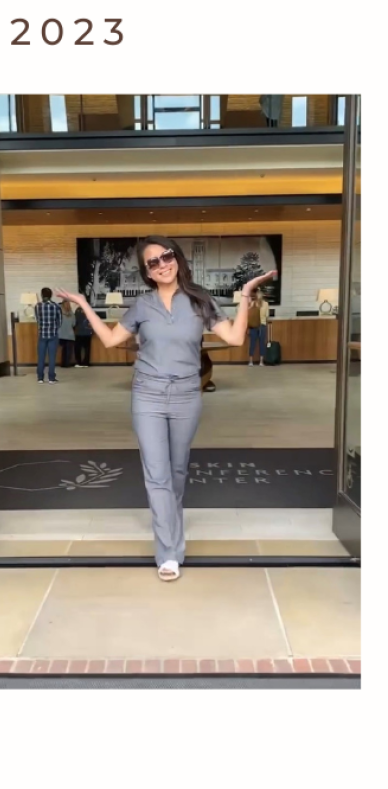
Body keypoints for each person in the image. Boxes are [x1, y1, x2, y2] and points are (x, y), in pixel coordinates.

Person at [56, 236, 275, 582]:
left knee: (176, 475)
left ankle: (173, 540)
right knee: (156, 476)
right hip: (148, 395)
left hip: (188, 394)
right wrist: (84, 303)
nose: (162, 265)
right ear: (147, 272)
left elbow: (234, 338)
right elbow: (113, 341)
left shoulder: (200, 300)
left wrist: (246, 297)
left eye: (166, 257)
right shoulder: (142, 306)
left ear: (177, 258)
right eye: (152, 263)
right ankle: (169, 553)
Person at [33, 287, 60, 384]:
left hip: (42, 335)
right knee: (52, 357)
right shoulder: (56, 306)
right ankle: (51, 378)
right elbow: (59, 321)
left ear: (42, 295)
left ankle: (40, 378)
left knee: (41, 357)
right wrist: (54, 327)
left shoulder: (37, 306)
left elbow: (37, 320)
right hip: (53, 335)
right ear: (51, 295)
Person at [246, 293, 269, 366]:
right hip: (262, 325)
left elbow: (247, 314)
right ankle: (261, 362)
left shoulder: (252, 303)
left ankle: (250, 361)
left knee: (252, 343)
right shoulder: (266, 304)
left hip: (254, 326)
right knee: (262, 343)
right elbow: (267, 315)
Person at [73, 302, 93, 367]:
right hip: (87, 332)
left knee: (77, 348)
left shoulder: (77, 311)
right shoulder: (89, 310)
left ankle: (78, 362)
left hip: (79, 332)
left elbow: (74, 322)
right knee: (87, 349)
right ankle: (86, 362)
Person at [58, 300, 76, 370]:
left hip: (61, 334)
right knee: (68, 350)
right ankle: (66, 363)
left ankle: (64, 363)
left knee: (64, 349)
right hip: (69, 334)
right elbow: (74, 323)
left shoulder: (58, 313)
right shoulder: (71, 313)